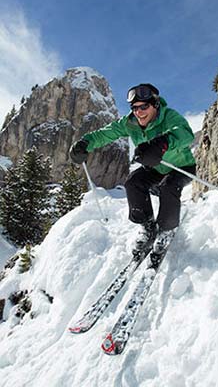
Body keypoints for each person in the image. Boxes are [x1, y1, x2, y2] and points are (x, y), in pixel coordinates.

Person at [70, 83, 196, 265]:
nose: (139, 112)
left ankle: (166, 230)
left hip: (180, 166)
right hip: (156, 167)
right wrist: (85, 143)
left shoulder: (169, 116)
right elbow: (105, 134)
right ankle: (148, 226)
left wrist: (162, 143)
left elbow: (186, 134)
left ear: (155, 105)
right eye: (135, 108)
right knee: (133, 183)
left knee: (168, 187)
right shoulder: (130, 123)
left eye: (144, 107)